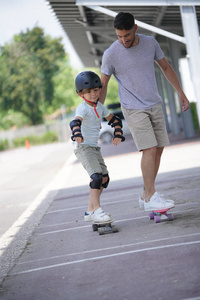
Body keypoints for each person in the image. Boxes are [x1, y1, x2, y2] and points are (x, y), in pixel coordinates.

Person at [100, 12, 190, 212]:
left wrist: (181, 93)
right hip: (132, 107)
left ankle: (146, 194)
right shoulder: (111, 53)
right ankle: (151, 197)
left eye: (127, 36)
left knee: (158, 149)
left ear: (135, 29)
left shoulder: (150, 43)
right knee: (149, 148)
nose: (123, 40)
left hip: (154, 104)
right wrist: (98, 113)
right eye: (119, 36)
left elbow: (166, 68)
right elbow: (103, 84)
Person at [70, 71, 125, 222]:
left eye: (96, 90)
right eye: (89, 92)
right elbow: (75, 122)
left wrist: (118, 134)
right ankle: (98, 211)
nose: (93, 94)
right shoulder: (82, 108)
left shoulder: (100, 107)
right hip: (83, 147)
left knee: (104, 179)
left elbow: (116, 120)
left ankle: (90, 211)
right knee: (96, 177)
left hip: (94, 147)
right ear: (81, 94)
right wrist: (77, 134)